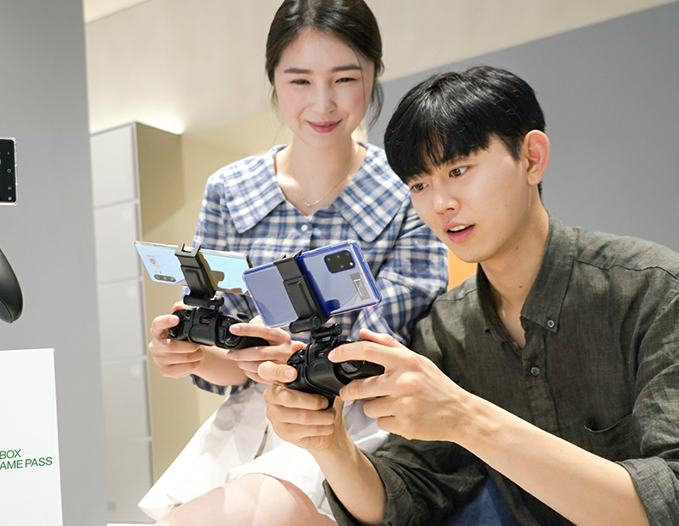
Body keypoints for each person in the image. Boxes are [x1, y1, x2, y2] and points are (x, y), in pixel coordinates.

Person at [259, 65, 679, 525]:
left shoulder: (660, 294)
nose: (440, 203)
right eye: (419, 185)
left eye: (459, 170)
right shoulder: (447, 328)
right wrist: (329, 444)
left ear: (531, 158)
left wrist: (465, 418)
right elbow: (405, 501)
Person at [139, 1, 449, 524]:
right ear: (274, 81)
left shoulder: (407, 189)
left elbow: (384, 349)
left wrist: (293, 356)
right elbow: (231, 361)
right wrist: (193, 353)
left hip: (359, 425)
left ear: (373, 75)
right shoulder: (230, 191)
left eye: (344, 78)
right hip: (249, 425)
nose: (322, 103)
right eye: (300, 81)